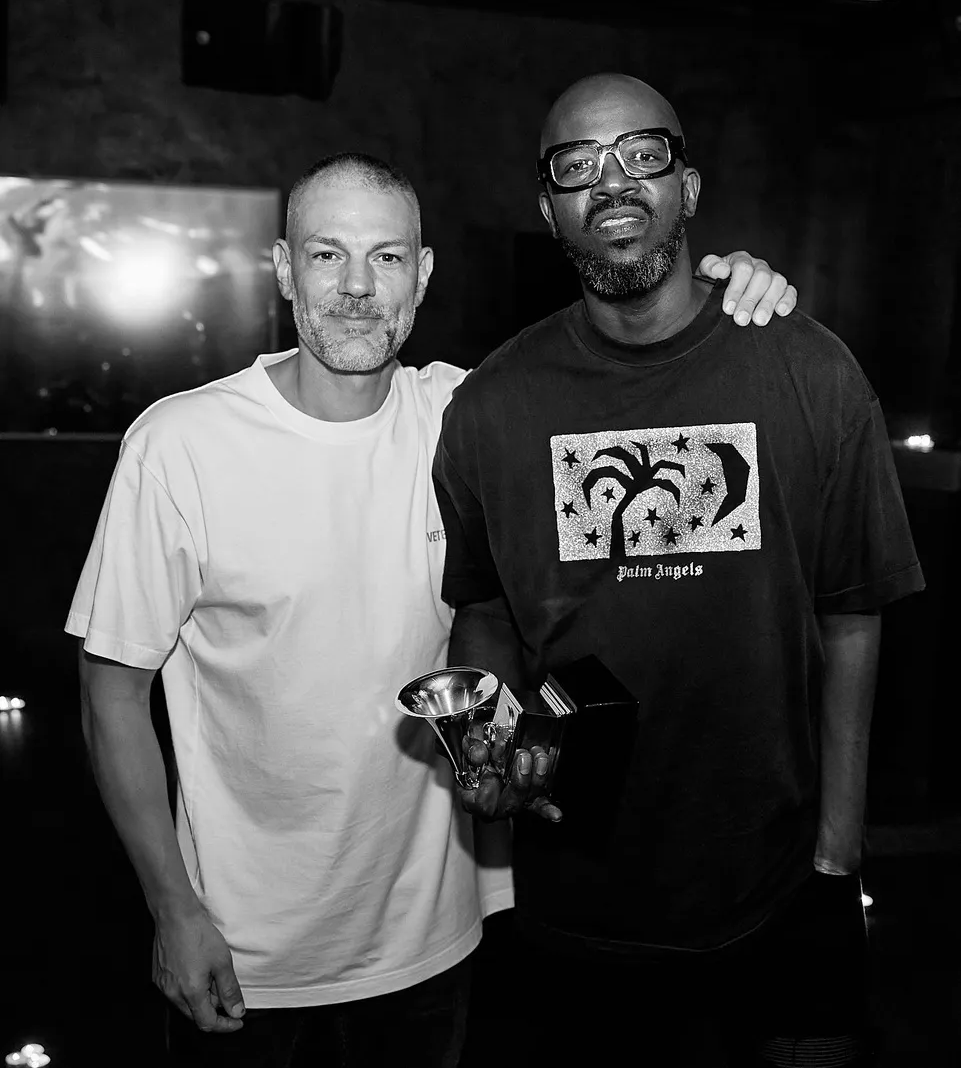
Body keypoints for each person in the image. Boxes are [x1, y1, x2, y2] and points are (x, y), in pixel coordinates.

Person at [66, 150, 797, 1068]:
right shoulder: (181, 445)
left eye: (386, 257)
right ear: (286, 271)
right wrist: (172, 908)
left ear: (424, 273)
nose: (358, 287)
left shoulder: (468, 411)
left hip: (436, 943)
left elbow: (640, 409)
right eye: (328, 256)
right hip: (250, 954)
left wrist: (724, 295)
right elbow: (110, 695)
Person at [432, 76, 925, 1068]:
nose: (611, 181)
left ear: (688, 187)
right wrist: (487, 745)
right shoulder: (491, 405)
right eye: (576, 166)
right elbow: (481, 607)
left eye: (641, 154)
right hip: (575, 901)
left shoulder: (808, 371)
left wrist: (838, 850)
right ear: (550, 209)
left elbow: (851, 617)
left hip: (780, 892)